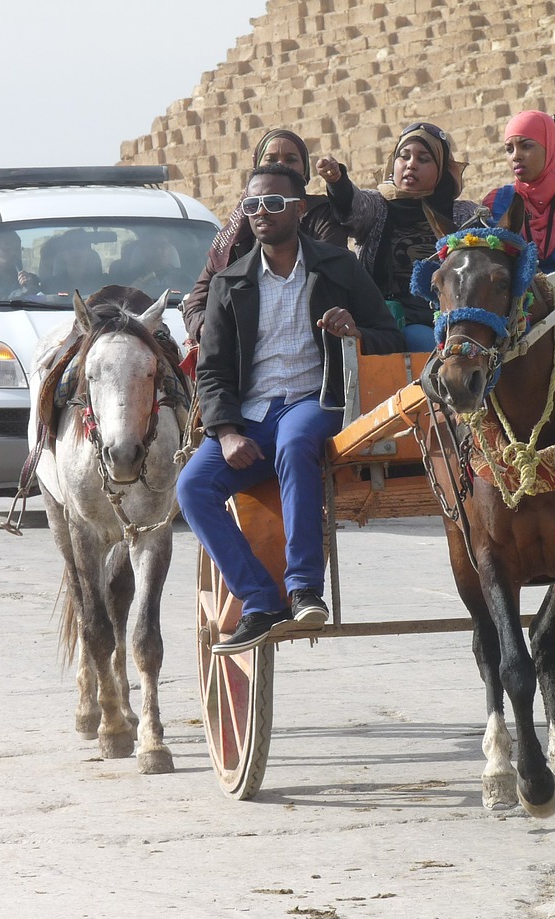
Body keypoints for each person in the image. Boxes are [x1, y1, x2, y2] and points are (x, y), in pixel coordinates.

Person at [177, 164, 405, 655]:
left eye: (274, 204)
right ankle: (260, 599)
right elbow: (213, 370)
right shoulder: (229, 282)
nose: (262, 213)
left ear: (299, 210)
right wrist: (227, 430)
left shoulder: (338, 269)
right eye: (252, 205)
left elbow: (390, 335)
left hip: (314, 400)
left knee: (296, 440)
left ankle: (303, 587)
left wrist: (356, 332)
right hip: (252, 414)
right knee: (192, 486)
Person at [317, 121, 478, 352]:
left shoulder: (464, 214)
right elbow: (353, 206)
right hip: (389, 321)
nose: (411, 165)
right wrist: (336, 181)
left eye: (424, 159)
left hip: (454, 321)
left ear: (441, 170)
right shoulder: (379, 206)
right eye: (404, 157)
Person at [181, 129, 349, 342]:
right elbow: (197, 302)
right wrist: (210, 329)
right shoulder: (237, 234)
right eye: (270, 159)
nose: (279, 166)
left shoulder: (320, 215)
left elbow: (333, 278)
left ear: (305, 172)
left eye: (290, 160)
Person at [481, 110, 555, 273]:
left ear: (551, 147)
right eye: (509, 149)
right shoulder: (498, 203)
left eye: (526, 146)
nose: (516, 156)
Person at [39, 230, 105, 295]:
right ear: (63, 254)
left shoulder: (106, 286)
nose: (75, 252)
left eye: (80, 246)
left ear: (88, 251)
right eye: (69, 247)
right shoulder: (48, 287)